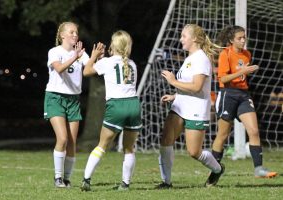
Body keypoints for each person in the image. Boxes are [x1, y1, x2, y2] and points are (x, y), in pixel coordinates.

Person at [157, 24, 224, 189]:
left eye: (183, 36)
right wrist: (175, 95)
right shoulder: (189, 58)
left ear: (194, 38)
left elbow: (196, 87)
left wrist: (172, 81)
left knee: (194, 152)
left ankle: (217, 169)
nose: (180, 39)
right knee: (166, 140)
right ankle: (166, 182)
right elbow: (188, 85)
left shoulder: (201, 58)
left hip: (196, 110)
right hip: (180, 106)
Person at [211, 25, 278, 178]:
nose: (243, 41)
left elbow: (242, 76)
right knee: (223, 135)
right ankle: (214, 170)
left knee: (254, 131)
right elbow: (222, 79)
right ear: (231, 40)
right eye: (239, 38)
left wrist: (245, 72)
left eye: (244, 37)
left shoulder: (247, 54)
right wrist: (242, 71)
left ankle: (259, 169)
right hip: (228, 95)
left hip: (243, 95)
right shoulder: (225, 54)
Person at [80, 30, 142, 191]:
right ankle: (125, 184)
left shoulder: (107, 62)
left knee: (102, 145)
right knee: (129, 148)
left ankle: (86, 180)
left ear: (113, 45)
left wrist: (93, 56)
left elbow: (86, 71)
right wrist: (100, 60)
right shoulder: (132, 64)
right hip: (133, 105)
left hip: (116, 106)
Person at [44, 21, 89, 188]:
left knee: (72, 142)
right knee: (62, 138)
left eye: (76, 32)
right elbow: (60, 68)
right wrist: (75, 57)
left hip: (73, 100)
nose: (75, 35)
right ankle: (57, 178)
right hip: (55, 97)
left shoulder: (81, 54)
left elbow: (91, 67)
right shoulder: (55, 52)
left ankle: (67, 178)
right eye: (71, 32)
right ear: (62, 35)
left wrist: (98, 58)